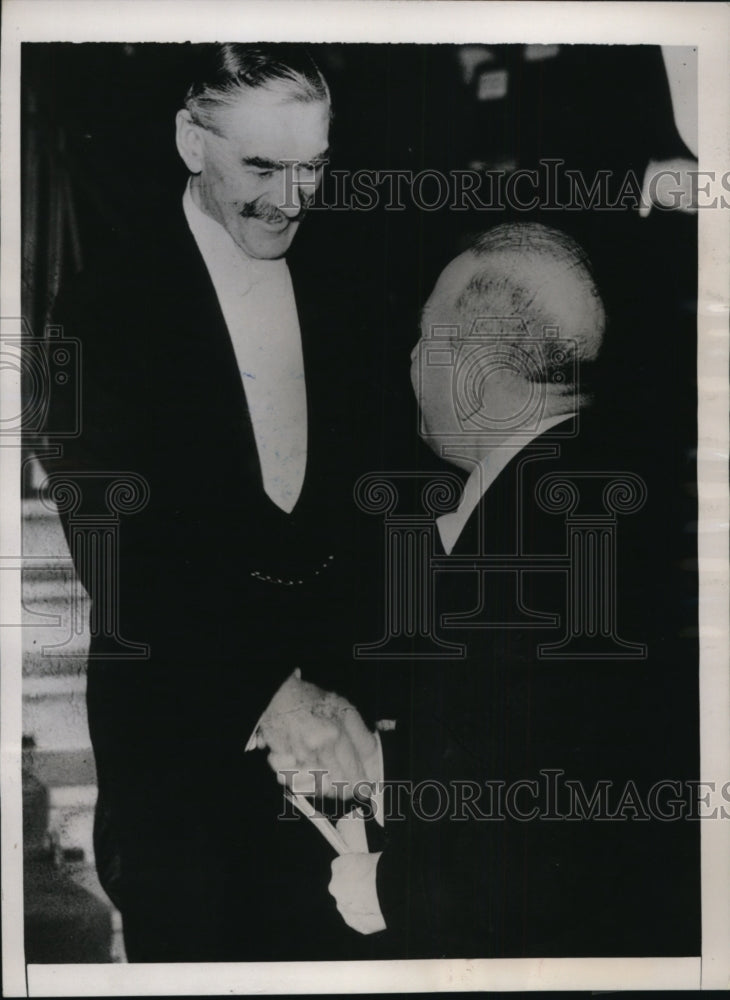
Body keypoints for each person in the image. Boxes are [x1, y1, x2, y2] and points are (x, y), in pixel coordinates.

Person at [43, 43, 381, 962]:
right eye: (261, 167)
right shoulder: (100, 309)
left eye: (313, 165)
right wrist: (268, 691)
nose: (291, 199)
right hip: (183, 752)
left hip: (342, 747)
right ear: (192, 141)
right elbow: (121, 547)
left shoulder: (356, 283)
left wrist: (365, 697)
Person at [325, 223, 700, 957]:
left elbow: (545, 867)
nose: (409, 359)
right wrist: (391, 766)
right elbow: (560, 749)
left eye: (426, 336)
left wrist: (383, 887)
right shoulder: (598, 494)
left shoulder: (525, 546)